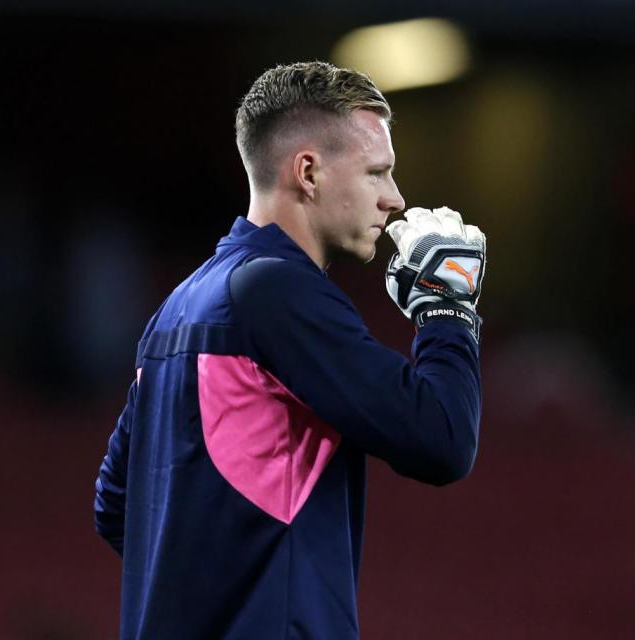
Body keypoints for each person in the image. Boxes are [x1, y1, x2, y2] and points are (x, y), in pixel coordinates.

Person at [94, 61, 486, 640]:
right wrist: (445, 309)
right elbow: (442, 438)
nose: (395, 200)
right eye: (377, 173)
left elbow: (116, 503)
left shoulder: (178, 307)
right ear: (308, 171)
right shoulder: (279, 291)